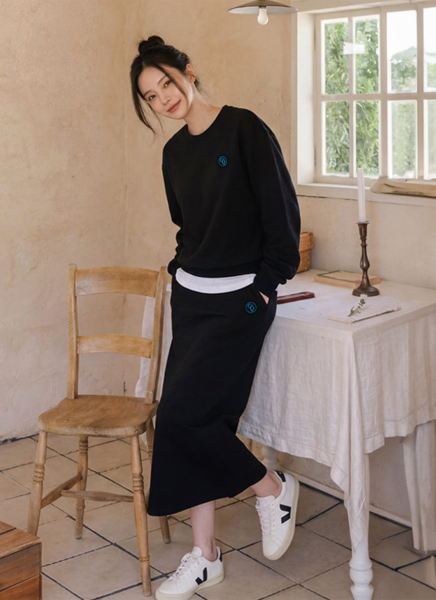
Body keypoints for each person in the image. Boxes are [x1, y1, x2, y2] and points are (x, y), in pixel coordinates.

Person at [130, 36, 301, 600]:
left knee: (182, 418)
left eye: (166, 83)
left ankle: (271, 488)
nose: (164, 99)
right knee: (197, 422)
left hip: (240, 301)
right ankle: (205, 555)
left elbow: (282, 217)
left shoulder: (244, 129)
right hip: (192, 297)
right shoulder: (173, 154)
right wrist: (181, 271)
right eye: (151, 97)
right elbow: (189, 225)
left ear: (187, 71)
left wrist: (264, 289)